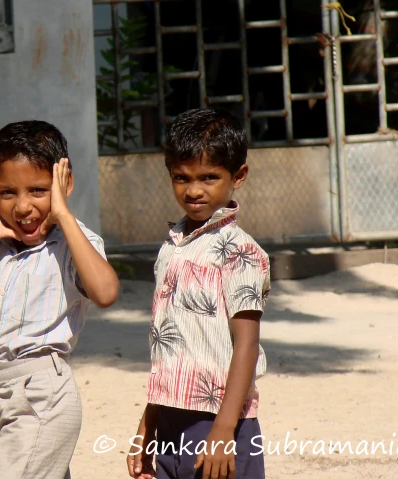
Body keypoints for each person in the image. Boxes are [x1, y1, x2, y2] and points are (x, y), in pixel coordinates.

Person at [0, 120, 120, 478]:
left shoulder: (72, 245)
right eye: (7, 193)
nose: (22, 207)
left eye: (38, 190)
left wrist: (63, 214)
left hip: (42, 396)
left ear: (65, 185)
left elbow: (106, 292)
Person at [126, 108, 270, 479]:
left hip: (221, 423)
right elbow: (172, 348)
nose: (193, 190)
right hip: (171, 421)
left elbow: (247, 346)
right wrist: (148, 424)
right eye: (182, 177)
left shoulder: (239, 252)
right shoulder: (172, 246)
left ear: (238, 176)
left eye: (209, 177)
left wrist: (223, 432)